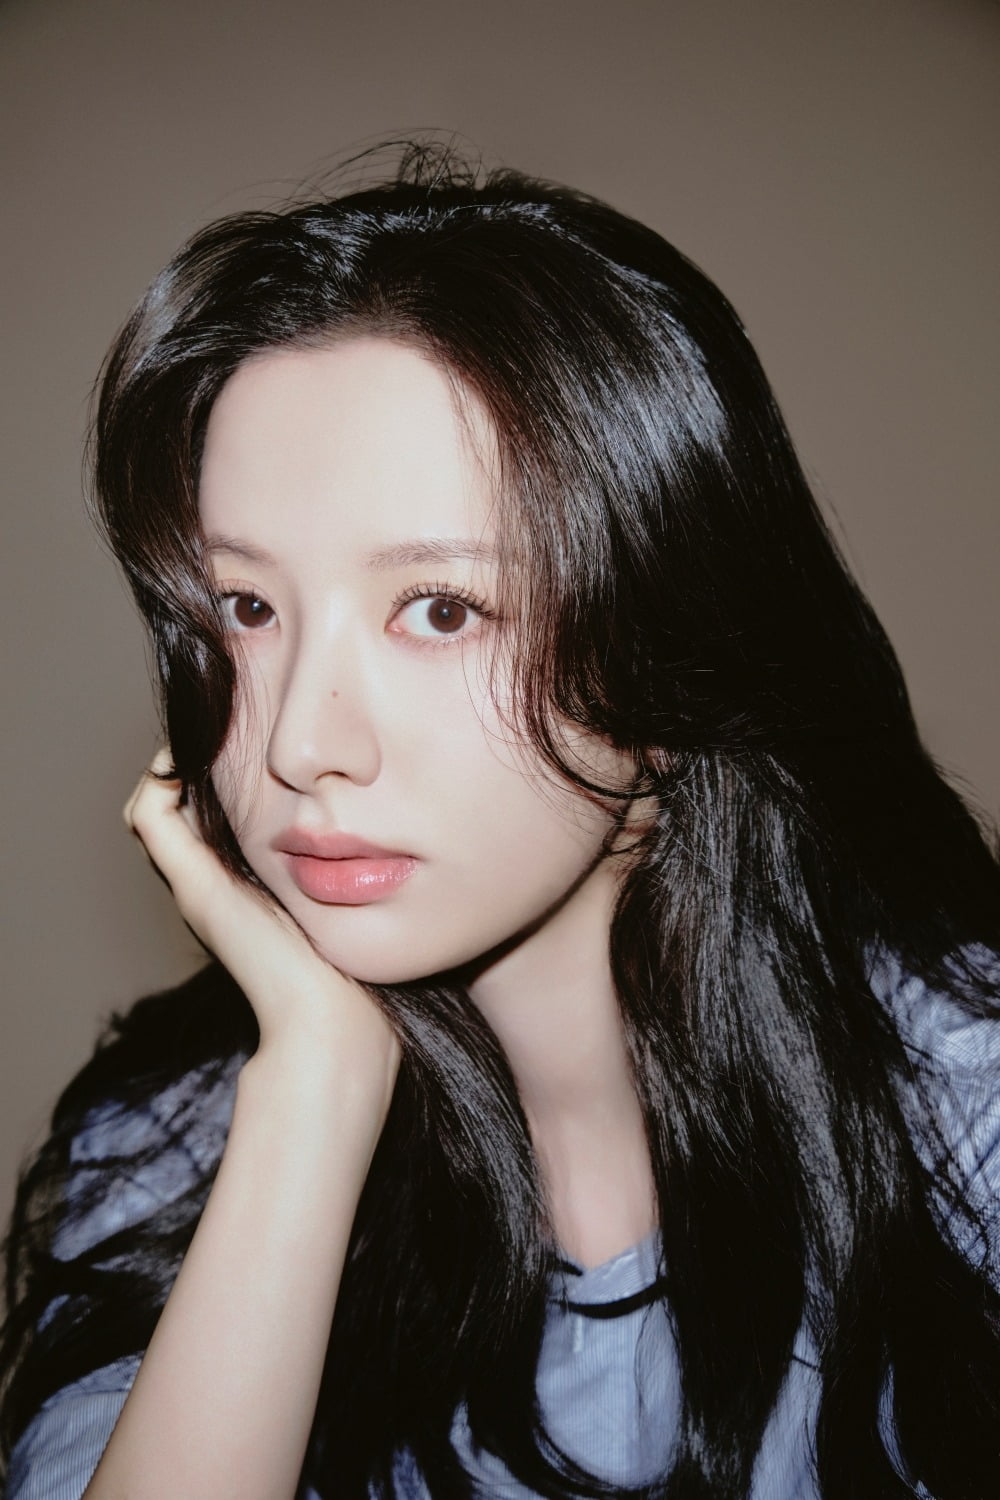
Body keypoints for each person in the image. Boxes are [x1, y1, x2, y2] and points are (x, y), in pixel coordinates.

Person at [1, 144, 999, 1500]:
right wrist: (312, 1095)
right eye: (247, 608)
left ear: (672, 646)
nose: (298, 743)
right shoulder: (169, 1159)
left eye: (442, 609)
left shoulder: (966, 1116)